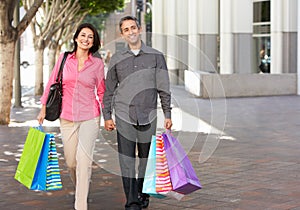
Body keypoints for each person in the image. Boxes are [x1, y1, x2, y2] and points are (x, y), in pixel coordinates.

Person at [103, 16, 172, 210]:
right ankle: (132, 201)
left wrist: (167, 114)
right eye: (126, 29)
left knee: (145, 161)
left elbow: (164, 87)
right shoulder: (117, 59)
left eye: (133, 27)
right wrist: (107, 116)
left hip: (148, 116)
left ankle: (142, 194)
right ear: (122, 34)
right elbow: (109, 90)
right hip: (124, 115)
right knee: (127, 161)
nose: (131, 31)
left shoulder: (156, 56)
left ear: (139, 29)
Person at [37, 23, 105, 210]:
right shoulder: (64, 58)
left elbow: (101, 92)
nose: (86, 39)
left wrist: (107, 116)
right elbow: (52, 82)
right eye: (83, 35)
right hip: (66, 117)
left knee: (84, 161)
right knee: (71, 162)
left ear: (94, 41)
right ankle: (80, 188)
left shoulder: (97, 64)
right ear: (76, 38)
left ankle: (80, 204)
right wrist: (43, 108)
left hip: (90, 116)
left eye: (90, 37)